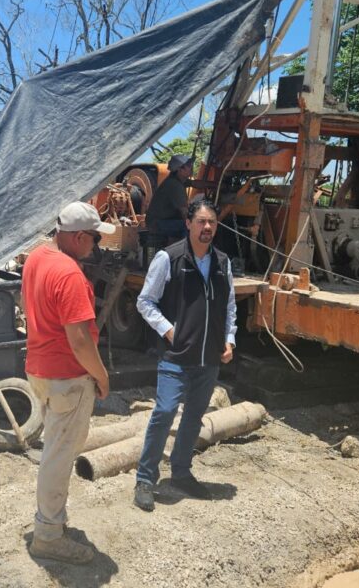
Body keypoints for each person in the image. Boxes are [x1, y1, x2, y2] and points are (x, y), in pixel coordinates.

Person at [23, 201, 114, 564]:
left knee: (54, 450)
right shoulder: (70, 275)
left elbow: (30, 308)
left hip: (40, 369)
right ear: (78, 237)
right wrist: (102, 376)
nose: (96, 244)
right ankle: (48, 535)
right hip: (67, 377)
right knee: (59, 457)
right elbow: (79, 340)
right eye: (95, 238)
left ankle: (52, 521)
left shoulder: (36, 257)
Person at [133, 198, 236, 511]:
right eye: (201, 221)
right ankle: (145, 479)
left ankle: (181, 472)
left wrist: (229, 339)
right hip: (175, 356)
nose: (207, 227)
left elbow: (229, 305)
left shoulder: (222, 262)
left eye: (212, 222)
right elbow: (145, 301)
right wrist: (168, 331)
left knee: (193, 417)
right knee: (164, 412)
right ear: (189, 224)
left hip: (209, 358)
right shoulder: (169, 258)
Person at [145, 154, 193, 241]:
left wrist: (214, 185)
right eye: (189, 165)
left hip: (160, 222)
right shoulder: (174, 185)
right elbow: (184, 213)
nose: (191, 167)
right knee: (188, 226)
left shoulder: (178, 180)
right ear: (180, 169)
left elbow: (195, 183)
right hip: (157, 224)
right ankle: (187, 248)